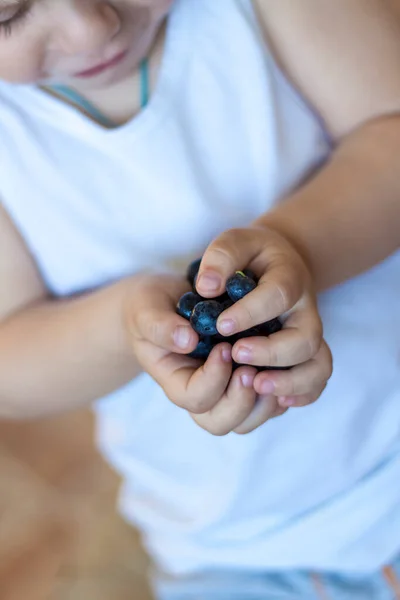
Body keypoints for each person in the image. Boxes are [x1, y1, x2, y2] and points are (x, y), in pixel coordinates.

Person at [0, 0, 399, 597]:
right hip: (235, 552)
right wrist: (124, 326)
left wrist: (297, 248)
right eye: (7, 16)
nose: (92, 26)